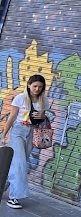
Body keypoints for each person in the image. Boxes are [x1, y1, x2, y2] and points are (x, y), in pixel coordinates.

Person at [1, 74, 47, 209]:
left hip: (32, 132)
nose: (37, 89)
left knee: (17, 163)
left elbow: (43, 118)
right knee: (20, 164)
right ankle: (14, 197)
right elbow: (12, 117)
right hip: (18, 132)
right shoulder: (20, 98)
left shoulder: (43, 100)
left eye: (40, 87)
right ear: (28, 85)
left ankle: (2, 186)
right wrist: (4, 134)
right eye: (35, 86)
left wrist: (43, 116)